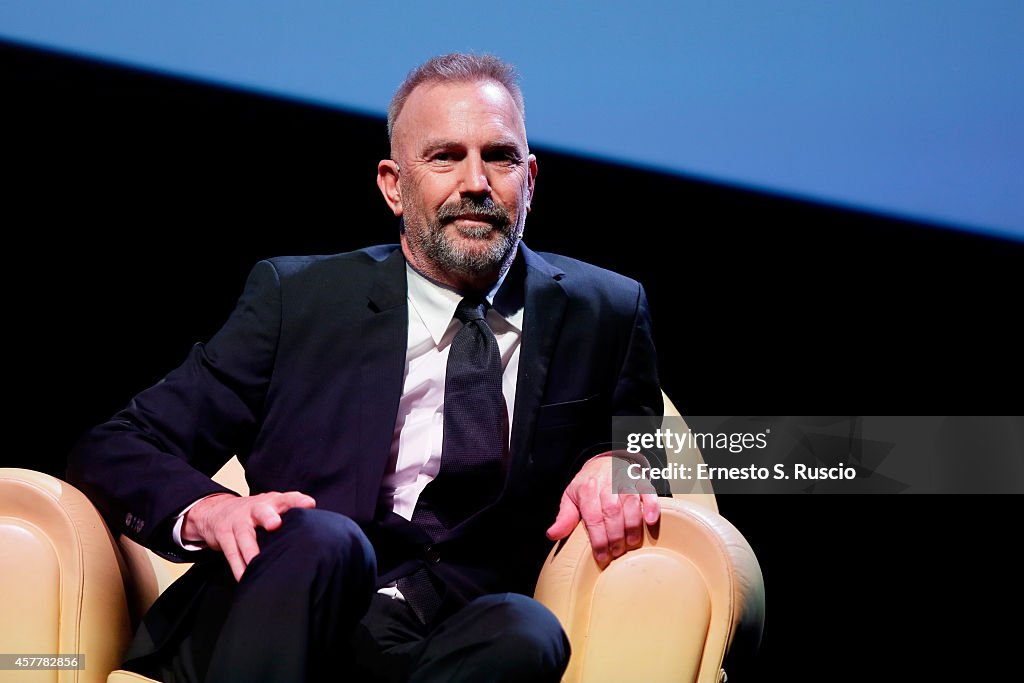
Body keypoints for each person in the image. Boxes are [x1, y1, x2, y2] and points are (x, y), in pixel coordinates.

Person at [68, 52, 665, 683]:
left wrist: (618, 464)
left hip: (441, 644)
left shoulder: (606, 311)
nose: (476, 182)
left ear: (531, 178)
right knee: (329, 541)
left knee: (529, 630)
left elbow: (653, 458)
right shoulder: (296, 299)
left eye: (499, 156)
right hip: (280, 616)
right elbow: (116, 445)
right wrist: (210, 508)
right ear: (393, 184)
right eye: (444, 157)